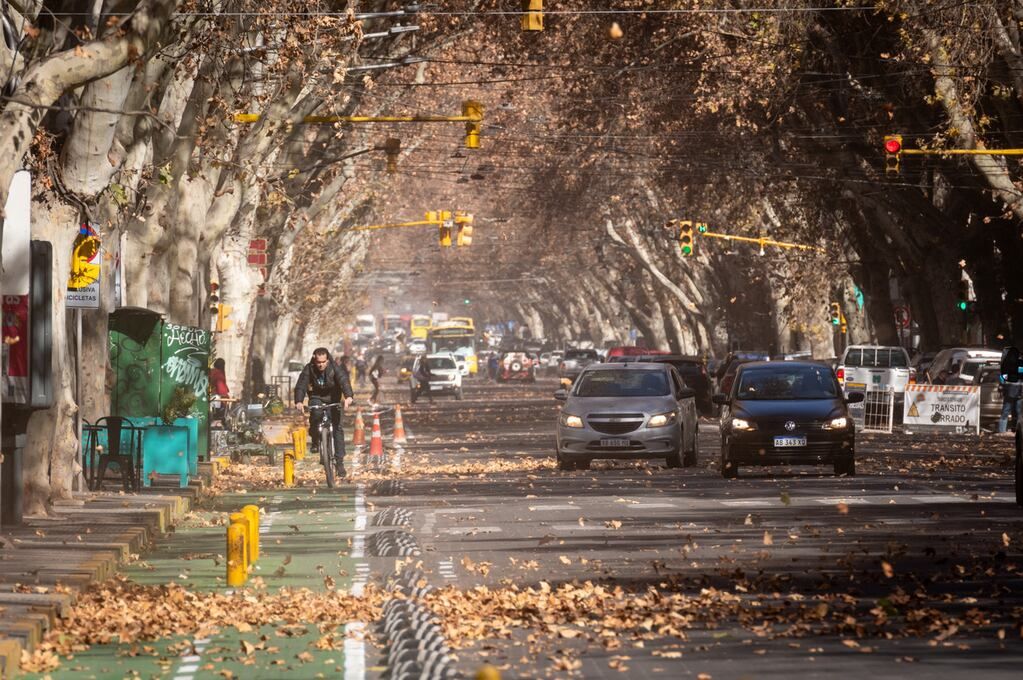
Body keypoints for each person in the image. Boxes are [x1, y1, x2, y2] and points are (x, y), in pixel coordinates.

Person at [294, 348, 354, 475]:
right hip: (316, 398)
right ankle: (316, 440)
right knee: (315, 415)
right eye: (318, 362)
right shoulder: (309, 369)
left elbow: (343, 380)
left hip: (333, 398)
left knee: (337, 428)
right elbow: (301, 385)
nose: (320, 364)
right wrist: (298, 401)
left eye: (323, 362)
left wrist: (348, 397)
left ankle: (339, 463)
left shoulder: (334, 368)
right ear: (314, 360)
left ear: (327, 360)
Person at [998, 346, 1022, 434]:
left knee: (1005, 412)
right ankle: (1017, 431)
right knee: (1018, 413)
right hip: (1019, 392)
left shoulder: (1006, 364)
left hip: (1009, 392)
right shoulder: (1020, 364)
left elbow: (1002, 377)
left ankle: (1002, 431)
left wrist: (1001, 386)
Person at [209, 358, 230, 424]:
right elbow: (221, 390)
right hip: (215, 398)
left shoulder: (211, 371)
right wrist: (226, 396)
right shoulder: (219, 374)